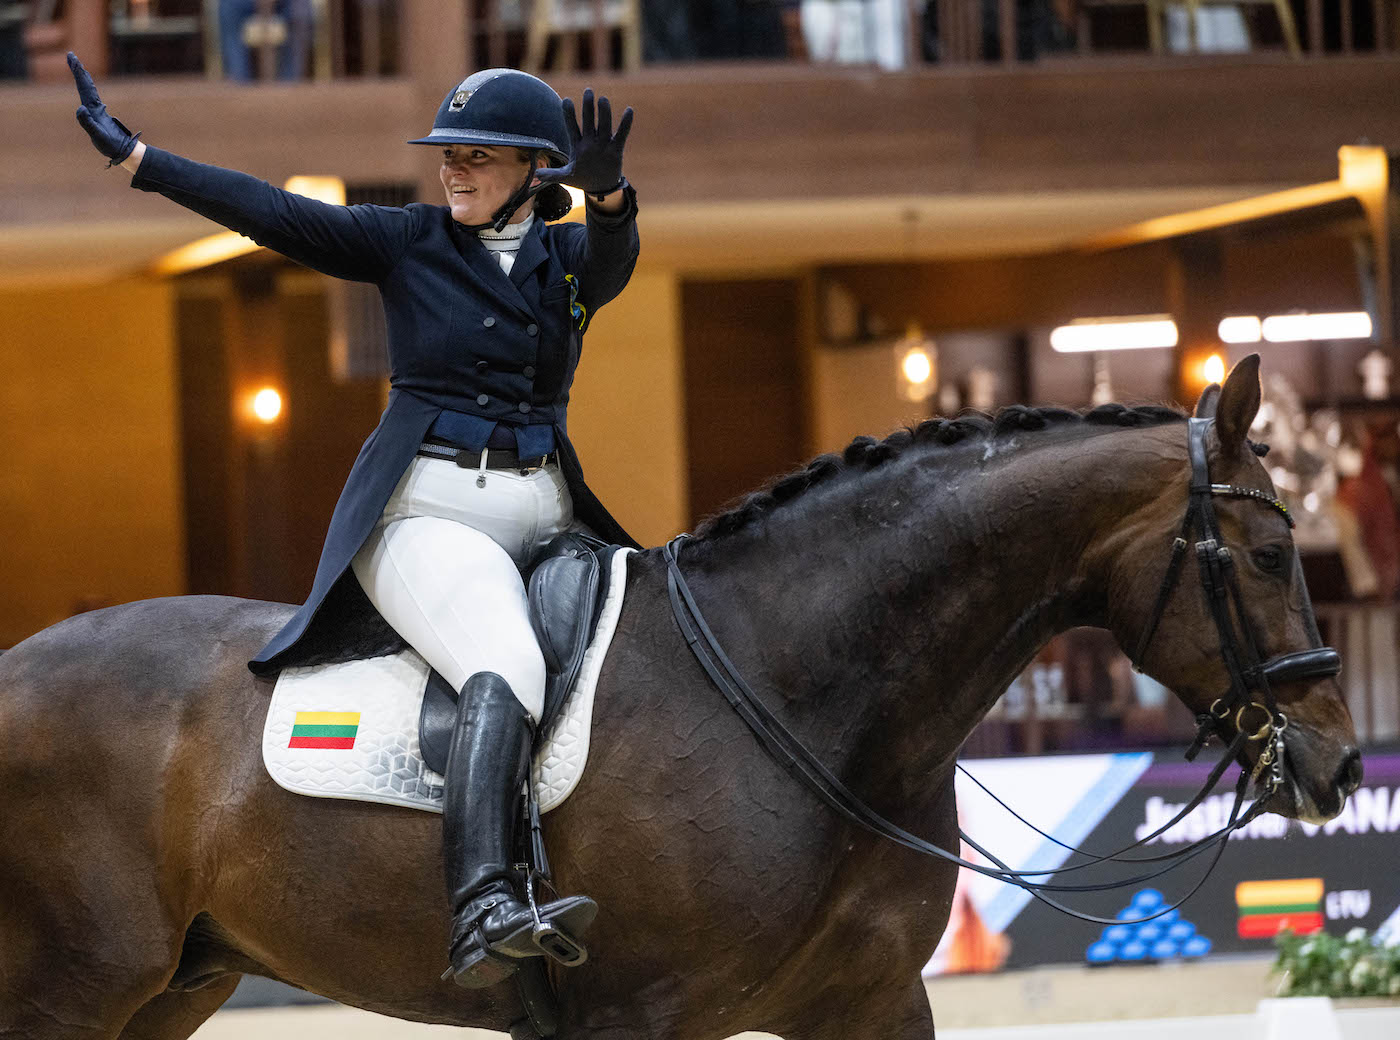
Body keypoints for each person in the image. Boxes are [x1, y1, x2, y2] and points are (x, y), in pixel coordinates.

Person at [67, 52, 640, 988]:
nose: (452, 169)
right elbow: (276, 214)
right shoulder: (407, 241)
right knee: (506, 664)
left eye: (477, 156)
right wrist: (141, 160)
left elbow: (611, 264)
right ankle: (484, 903)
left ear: (537, 171)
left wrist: (612, 204)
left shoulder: (565, 254)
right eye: (447, 154)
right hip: (428, 517)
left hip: (550, 513)